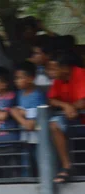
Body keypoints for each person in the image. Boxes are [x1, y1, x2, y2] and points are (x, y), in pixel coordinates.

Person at [47, 53, 85, 183]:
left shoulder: (80, 73)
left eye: (53, 69)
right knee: (54, 125)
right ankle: (67, 167)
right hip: (75, 120)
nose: (51, 72)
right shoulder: (59, 78)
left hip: (80, 118)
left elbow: (83, 101)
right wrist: (66, 106)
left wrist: (71, 107)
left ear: (65, 68)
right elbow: (51, 100)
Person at [11, 61, 47, 177]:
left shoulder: (37, 95)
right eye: (16, 78)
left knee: (42, 167)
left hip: (39, 140)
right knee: (27, 168)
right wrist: (22, 113)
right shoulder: (20, 94)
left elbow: (30, 125)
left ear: (31, 78)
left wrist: (16, 114)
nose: (17, 81)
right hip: (26, 139)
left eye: (20, 78)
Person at [0, 66, 20, 178]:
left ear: (4, 84)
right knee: (4, 172)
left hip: (11, 140)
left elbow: (3, 115)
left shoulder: (11, 96)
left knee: (14, 171)